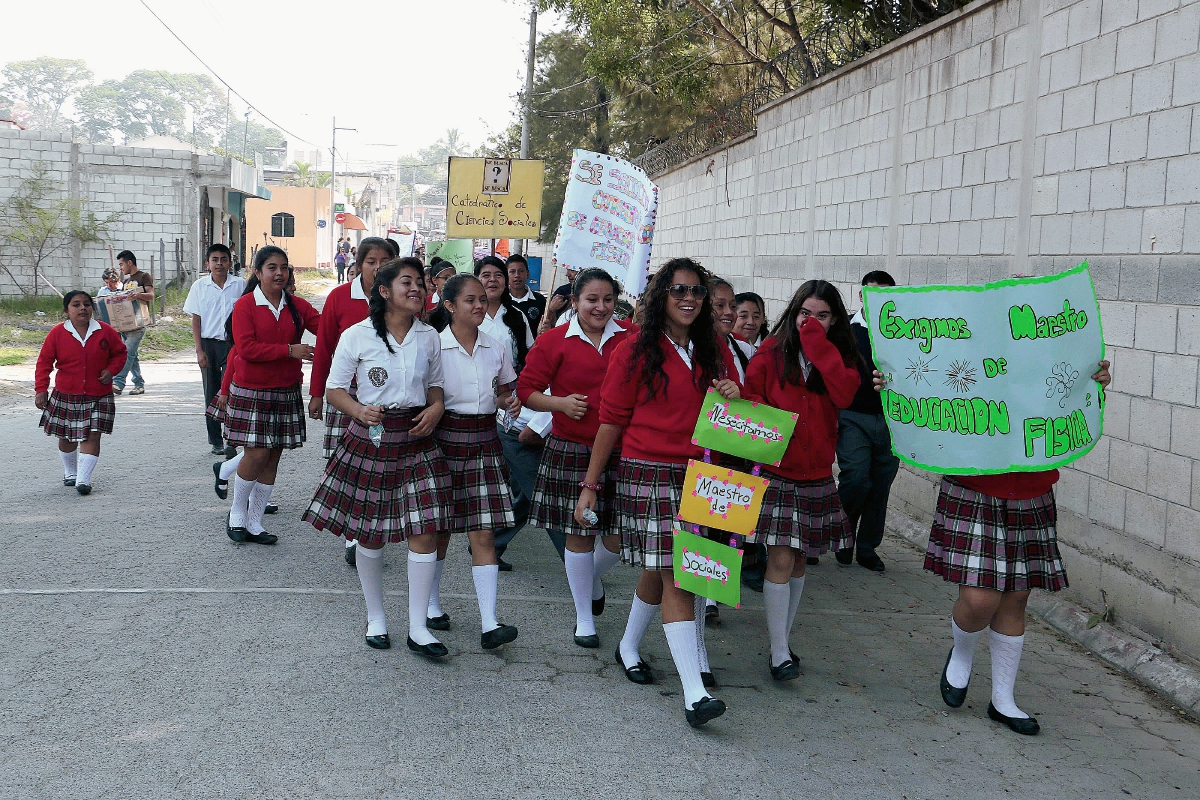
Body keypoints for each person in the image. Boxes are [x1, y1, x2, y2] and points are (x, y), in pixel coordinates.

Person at [894, 358, 1112, 736]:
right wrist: (893, 380)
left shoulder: (1044, 340)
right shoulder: (967, 335)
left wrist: (1090, 384)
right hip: (976, 485)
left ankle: (1003, 700)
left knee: (1016, 596)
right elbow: (925, 377)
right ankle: (961, 655)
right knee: (981, 599)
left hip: (1032, 488)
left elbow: (1065, 398)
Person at [575, 257, 741, 728]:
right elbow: (610, 421)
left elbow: (738, 415)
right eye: (679, 291)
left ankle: (628, 646)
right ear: (660, 298)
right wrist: (590, 486)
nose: (689, 299)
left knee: (662, 567)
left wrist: (732, 393)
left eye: (697, 292)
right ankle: (694, 694)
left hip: (704, 476)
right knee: (680, 574)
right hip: (649, 473)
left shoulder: (716, 348)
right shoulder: (633, 350)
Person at [303, 258, 452, 656]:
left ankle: (418, 628)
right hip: (373, 437)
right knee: (370, 534)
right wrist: (358, 410)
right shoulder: (357, 335)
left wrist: (436, 408)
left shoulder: (429, 336)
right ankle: (376, 618)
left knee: (425, 530)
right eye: (407, 283)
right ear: (384, 291)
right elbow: (335, 389)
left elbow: (435, 387)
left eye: (420, 283)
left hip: (418, 439)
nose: (417, 289)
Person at [743, 280, 861, 682]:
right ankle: (778, 653)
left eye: (822, 315)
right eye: (805, 314)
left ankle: (784, 639)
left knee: (798, 560)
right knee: (779, 556)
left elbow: (846, 395)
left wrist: (819, 346)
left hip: (817, 473)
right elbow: (750, 398)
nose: (812, 322)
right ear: (793, 313)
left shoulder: (839, 355)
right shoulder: (772, 351)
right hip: (778, 471)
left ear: (835, 320)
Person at [519, 268, 632, 648]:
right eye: (591, 300)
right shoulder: (554, 341)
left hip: (622, 449)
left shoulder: (632, 337)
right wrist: (559, 404)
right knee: (579, 535)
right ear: (575, 301)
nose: (600, 307)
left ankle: (591, 579)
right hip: (570, 448)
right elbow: (526, 390)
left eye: (608, 300)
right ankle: (585, 616)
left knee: (617, 539)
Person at [431, 271, 522, 649]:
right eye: (470, 300)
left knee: (483, 531)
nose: (479, 305)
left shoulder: (495, 347)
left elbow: (503, 391)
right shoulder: (433, 347)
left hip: (484, 440)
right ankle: (431, 606)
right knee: (437, 531)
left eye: (482, 299)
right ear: (449, 306)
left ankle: (489, 623)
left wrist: (509, 400)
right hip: (442, 441)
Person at [224, 246, 320, 544]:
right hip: (252, 390)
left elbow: (327, 328)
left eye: (284, 267)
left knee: (274, 456)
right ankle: (237, 515)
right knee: (256, 453)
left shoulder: (297, 306)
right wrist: (290, 350)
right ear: (257, 273)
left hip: (285, 389)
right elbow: (247, 349)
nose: (279, 273)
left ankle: (255, 522)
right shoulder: (245, 306)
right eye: (271, 267)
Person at [308, 238, 393, 565]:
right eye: (372, 261)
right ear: (358, 264)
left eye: (386, 260)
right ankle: (352, 534)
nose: (378, 267)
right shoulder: (339, 298)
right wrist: (317, 393)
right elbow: (325, 348)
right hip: (345, 397)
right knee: (344, 464)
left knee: (377, 463)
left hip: (384, 402)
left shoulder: (399, 299)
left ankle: (371, 530)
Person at [835, 270, 900, 572]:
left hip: (892, 420)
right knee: (856, 477)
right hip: (852, 416)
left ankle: (867, 547)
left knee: (880, 483)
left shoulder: (904, 332)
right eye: (871, 293)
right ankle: (842, 536)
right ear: (861, 296)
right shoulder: (843, 330)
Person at [34, 291, 128, 495]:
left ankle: (83, 480)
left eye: (86, 304)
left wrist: (111, 370)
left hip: (99, 394)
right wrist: (41, 389)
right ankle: (71, 472)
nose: (82, 308)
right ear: (66, 311)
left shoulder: (105, 331)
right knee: (66, 437)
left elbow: (121, 353)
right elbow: (44, 363)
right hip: (67, 394)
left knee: (93, 435)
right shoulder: (57, 333)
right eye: (75, 305)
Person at [184, 244, 246, 455]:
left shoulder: (241, 285)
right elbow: (196, 319)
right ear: (207, 263)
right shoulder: (199, 287)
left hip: (233, 345)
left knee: (233, 391)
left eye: (223, 259)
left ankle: (232, 437)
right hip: (208, 344)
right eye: (215, 260)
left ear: (230, 262)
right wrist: (199, 350)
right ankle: (215, 440)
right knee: (211, 392)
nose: (219, 263)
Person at [111, 250, 154, 396]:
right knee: (132, 355)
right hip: (125, 325)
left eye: (121, 264)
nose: (120, 268)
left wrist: (138, 295)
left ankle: (118, 382)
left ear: (130, 262)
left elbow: (151, 295)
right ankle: (139, 384)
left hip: (139, 323)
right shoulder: (125, 282)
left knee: (127, 352)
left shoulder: (144, 276)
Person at [506, 254, 546, 331]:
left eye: (521, 271)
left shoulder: (540, 300)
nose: (517, 275)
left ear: (528, 274)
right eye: (512, 272)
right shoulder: (500, 300)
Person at [540, 265, 579, 332]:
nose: (567, 274)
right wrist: (551, 310)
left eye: (572, 270)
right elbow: (548, 325)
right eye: (567, 270)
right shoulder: (562, 292)